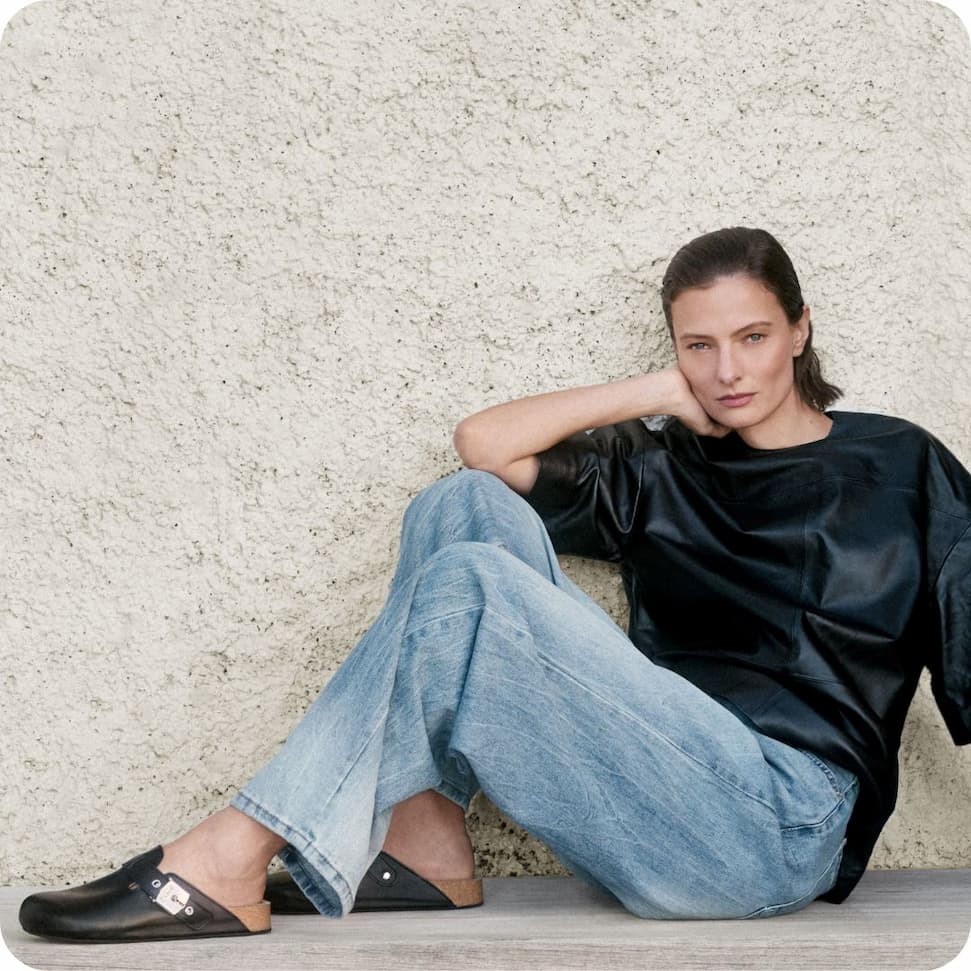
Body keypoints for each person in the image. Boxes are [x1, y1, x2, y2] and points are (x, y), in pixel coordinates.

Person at [19, 227, 971, 943]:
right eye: (698, 346)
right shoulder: (658, 468)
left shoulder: (903, 465)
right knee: (461, 505)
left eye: (753, 336)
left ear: (800, 329)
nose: (727, 370)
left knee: (471, 581)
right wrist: (651, 396)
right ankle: (425, 842)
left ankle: (233, 848)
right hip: (651, 798)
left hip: (776, 828)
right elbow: (483, 444)